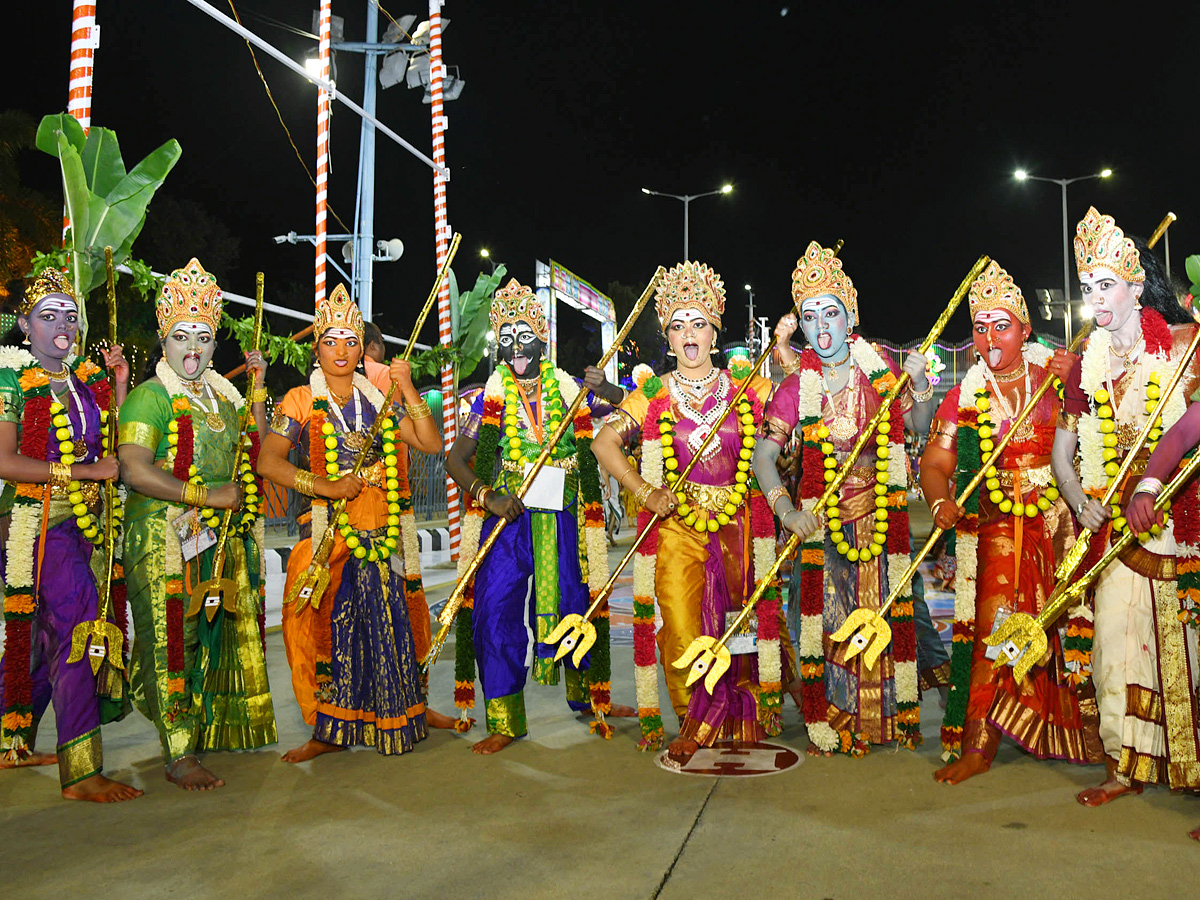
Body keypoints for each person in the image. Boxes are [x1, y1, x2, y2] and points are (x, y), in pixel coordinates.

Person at [590, 261, 790, 762]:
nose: (688, 335)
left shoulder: (748, 388)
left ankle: (747, 708)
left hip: (740, 527)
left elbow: (795, 414)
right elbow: (603, 441)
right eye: (677, 326)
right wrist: (643, 489)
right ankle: (695, 718)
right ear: (668, 336)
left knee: (743, 624)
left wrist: (787, 356)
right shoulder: (653, 394)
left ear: (715, 330)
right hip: (680, 526)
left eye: (698, 323)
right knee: (681, 624)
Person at [919, 260, 1103, 783]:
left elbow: (1097, 431)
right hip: (999, 527)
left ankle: (1089, 734)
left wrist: (1077, 387)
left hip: (1062, 520)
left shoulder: (1055, 375)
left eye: (1002, 325)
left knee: (1074, 626)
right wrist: (939, 504)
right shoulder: (964, 394)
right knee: (993, 627)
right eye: (980, 327)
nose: (989, 337)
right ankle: (980, 742)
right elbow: (934, 464)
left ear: (1025, 328)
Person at [754, 241, 934, 756]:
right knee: (823, 624)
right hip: (821, 525)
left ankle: (881, 721)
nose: (821, 325)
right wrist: (786, 511)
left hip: (880, 523)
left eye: (830, 312)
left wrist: (918, 385)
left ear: (850, 316)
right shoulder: (794, 388)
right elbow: (766, 458)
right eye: (809, 317)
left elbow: (918, 427)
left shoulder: (877, 372)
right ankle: (829, 718)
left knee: (884, 615)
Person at [259, 283, 448, 762]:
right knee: (331, 630)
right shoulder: (300, 400)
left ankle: (397, 717)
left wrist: (404, 387)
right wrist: (326, 487)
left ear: (363, 348)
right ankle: (328, 731)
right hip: (330, 535)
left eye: (350, 341)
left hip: (383, 536)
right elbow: (268, 462)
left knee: (389, 628)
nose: (341, 351)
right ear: (316, 347)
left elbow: (429, 444)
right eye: (331, 340)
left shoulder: (380, 400)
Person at [1049, 207, 1200, 806]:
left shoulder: (1184, 344)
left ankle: (1185, 762)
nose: (1095, 300)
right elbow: (1065, 453)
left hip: (1175, 519)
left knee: (1178, 645)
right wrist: (1079, 497)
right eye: (1087, 290)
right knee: (1113, 640)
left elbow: (1191, 427)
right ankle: (1124, 764)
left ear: (1136, 286)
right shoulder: (1088, 360)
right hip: (1111, 523)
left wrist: (1151, 485)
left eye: (1105, 285)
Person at [445, 278, 630, 755]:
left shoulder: (569, 390)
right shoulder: (485, 397)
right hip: (507, 517)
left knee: (577, 605)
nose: (517, 348)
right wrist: (488, 498)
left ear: (542, 335)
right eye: (506, 338)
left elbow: (635, 413)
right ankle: (505, 719)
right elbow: (455, 460)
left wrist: (606, 386)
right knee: (494, 608)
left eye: (525, 336)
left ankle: (591, 699)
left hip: (562, 516)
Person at [118, 258, 276, 791]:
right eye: (181, 335)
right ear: (164, 338)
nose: (192, 348)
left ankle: (183, 729)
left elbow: (253, 449)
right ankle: (179, 753)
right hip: (160, 535)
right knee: (169, 642)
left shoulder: (221, 396)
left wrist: (256, 385)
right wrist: (205, 495)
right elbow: (133, 469)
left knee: (201, 640)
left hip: (210, 540)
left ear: (214, 345)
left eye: (203, 337)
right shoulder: (151, 395)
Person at [0, 267, 141, 801]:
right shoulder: (9, 377)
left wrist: (121, 384)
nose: (63, 325)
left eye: (70, 315)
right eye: (48, 316)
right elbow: (5, 461)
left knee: (45, 639)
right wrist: (81, 474)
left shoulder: (83, 381)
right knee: (82, 624)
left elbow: (109, 443)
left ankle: (9, 741)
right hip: (33, 525)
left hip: (84, 524)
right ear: (25, 324)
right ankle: (81, 771)